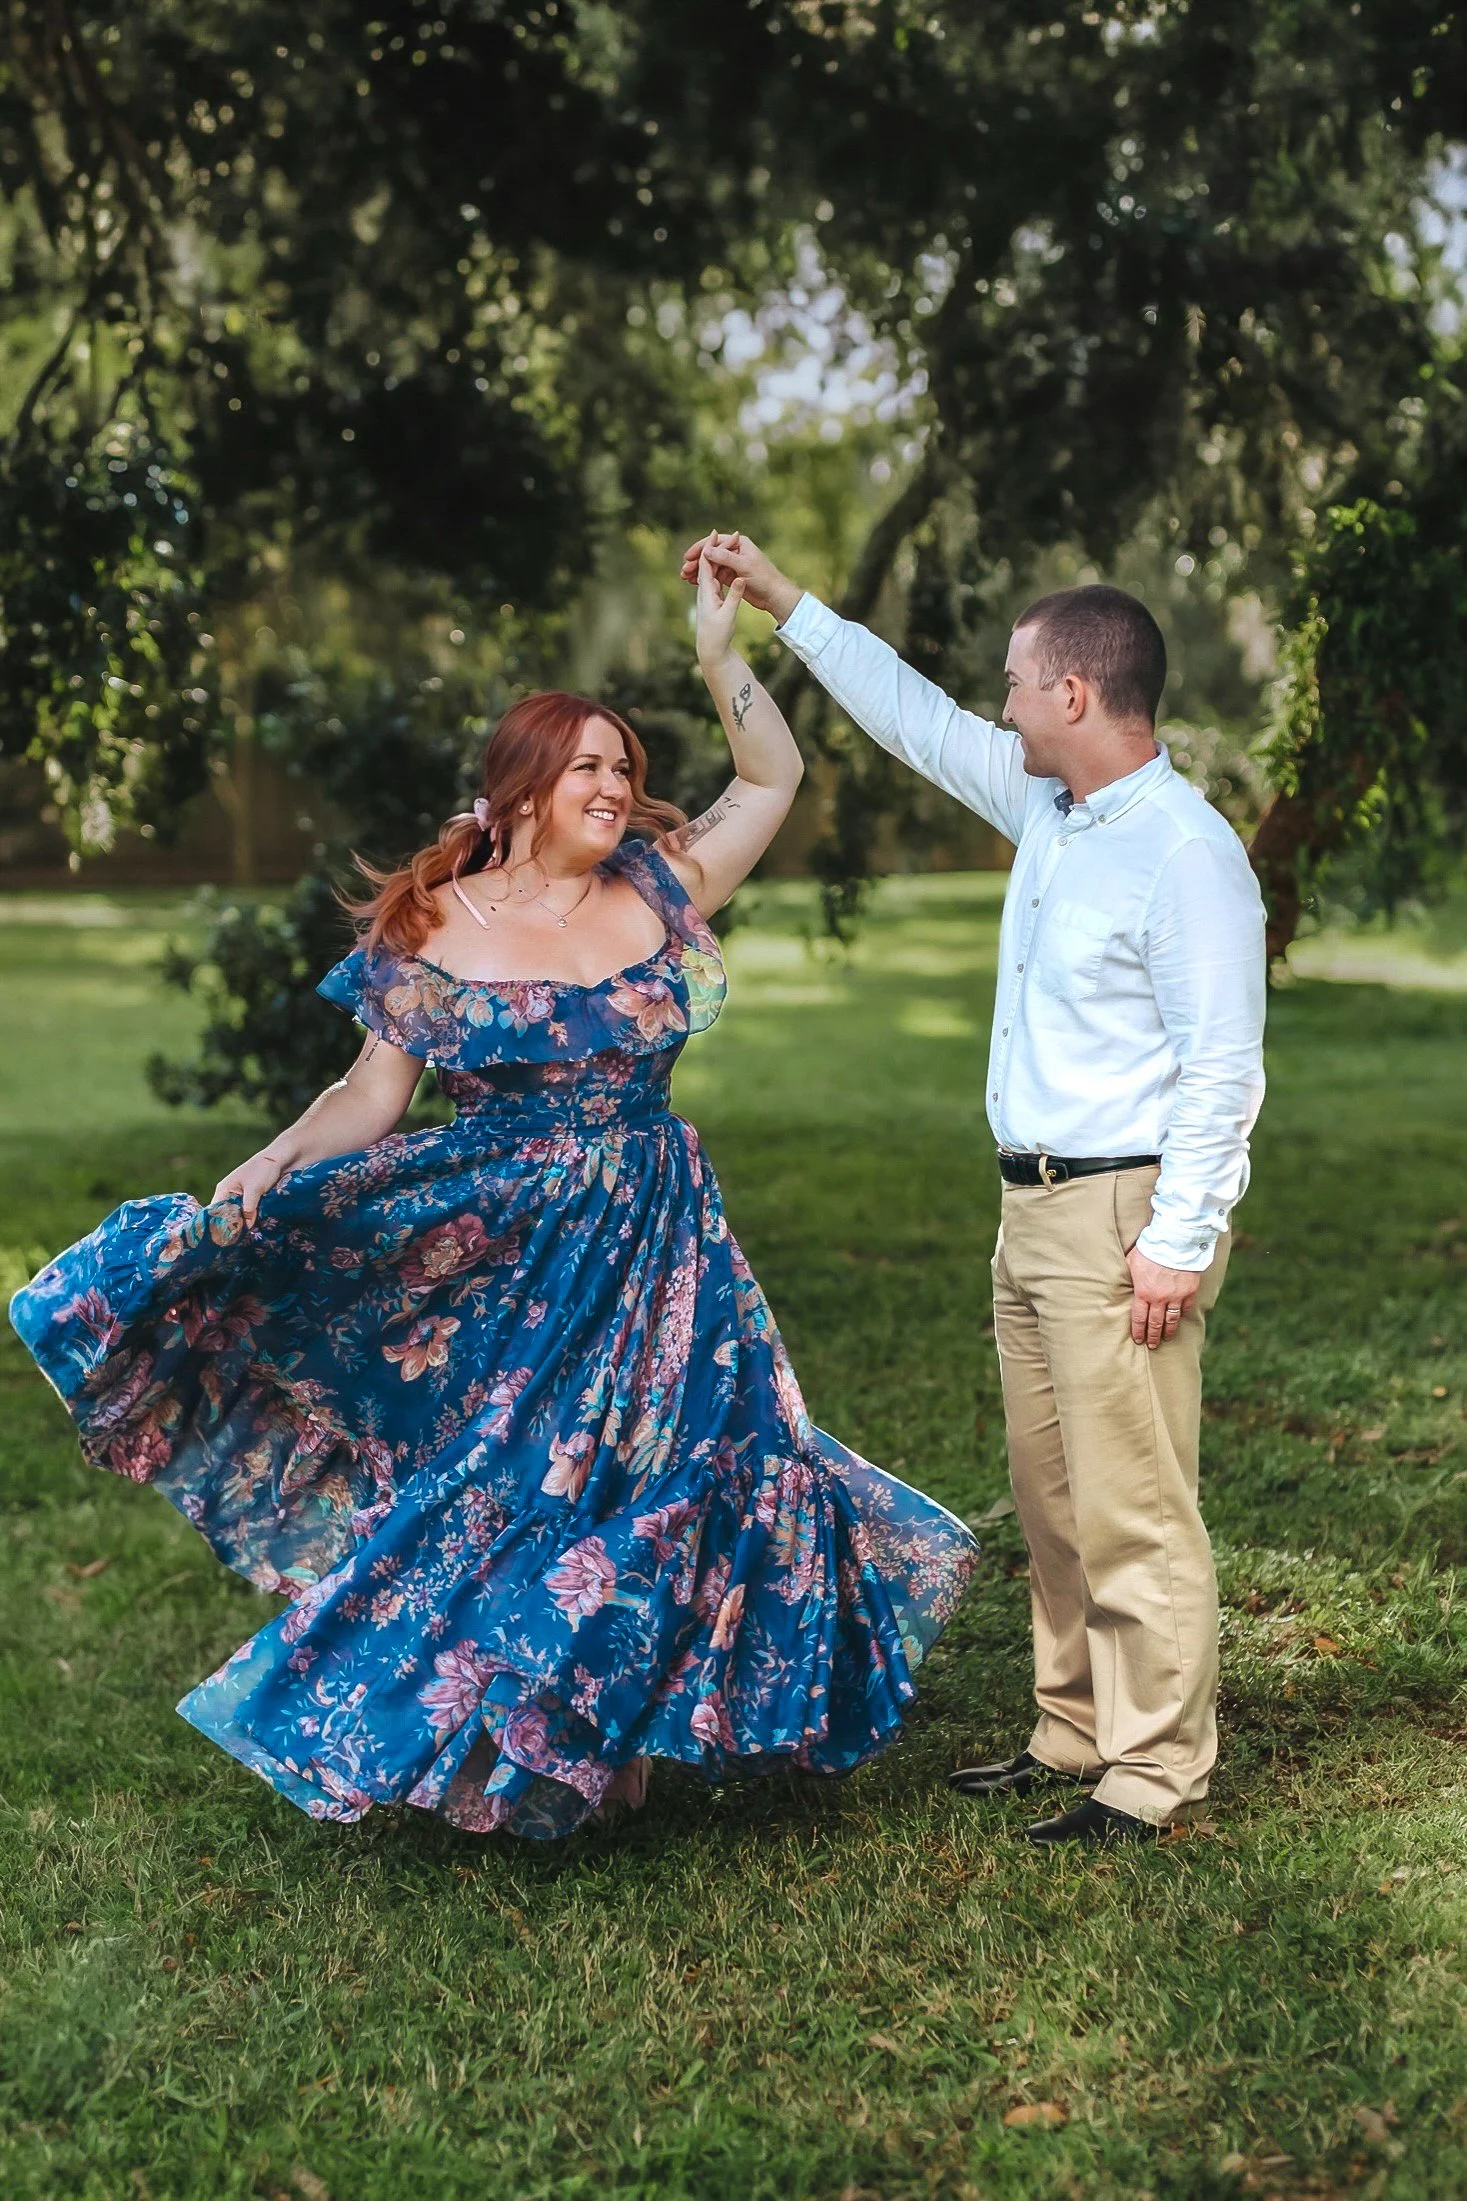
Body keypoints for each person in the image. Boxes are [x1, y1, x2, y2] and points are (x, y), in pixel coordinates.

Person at [10, 548, 978, 1841]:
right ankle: (516, 1723)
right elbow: (371, 1096)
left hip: (661, 1236)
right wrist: (268, 1164)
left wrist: (718, 655)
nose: (614, 785)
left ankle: (611, 1715)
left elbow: (773, 776)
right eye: (585, 765)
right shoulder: (431, 927)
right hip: (508, 1240)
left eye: (623, 768)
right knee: (523, 1475)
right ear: (518, 790)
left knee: (672, 1466)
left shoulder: (659, 885)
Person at [681, 530, 1267, 1848]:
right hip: (1032, 1211)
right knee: (1052, 1498)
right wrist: (786, 607)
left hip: (1122, 1216)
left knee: (1131, 1507)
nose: (995, 706)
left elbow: (1225, 1065)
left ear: (1073, 695)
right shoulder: (1049, 810)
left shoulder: (1181, 851)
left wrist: (1177, 1241)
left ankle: (1152, 1770)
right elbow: (908, 717)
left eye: (1014, 683)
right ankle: (1071, 1730)